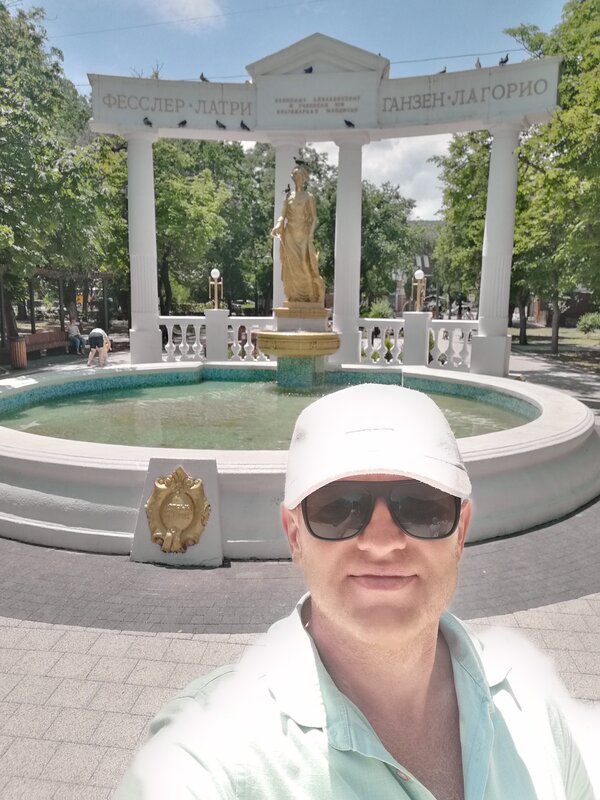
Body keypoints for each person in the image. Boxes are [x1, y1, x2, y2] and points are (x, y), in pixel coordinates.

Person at [115, 384, 593, 799]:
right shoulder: (209, 745)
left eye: (422, 507)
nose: (382, 542)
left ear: (461, 531)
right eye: (337, 508)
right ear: (294, 535)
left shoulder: (536, 713)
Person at [271, 164, 326, 305]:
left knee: (304, 264)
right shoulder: (288, 197)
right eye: (295, 176)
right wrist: (278, 225)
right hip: (290, 234)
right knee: (291, 266)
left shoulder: (309, 197)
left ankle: (311, 295)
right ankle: (294, 296)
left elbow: (314, 218)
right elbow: (282, 215)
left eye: (300, 176)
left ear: (304, 178)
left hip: (304, 235)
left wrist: (311, 235)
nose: (298, 179)